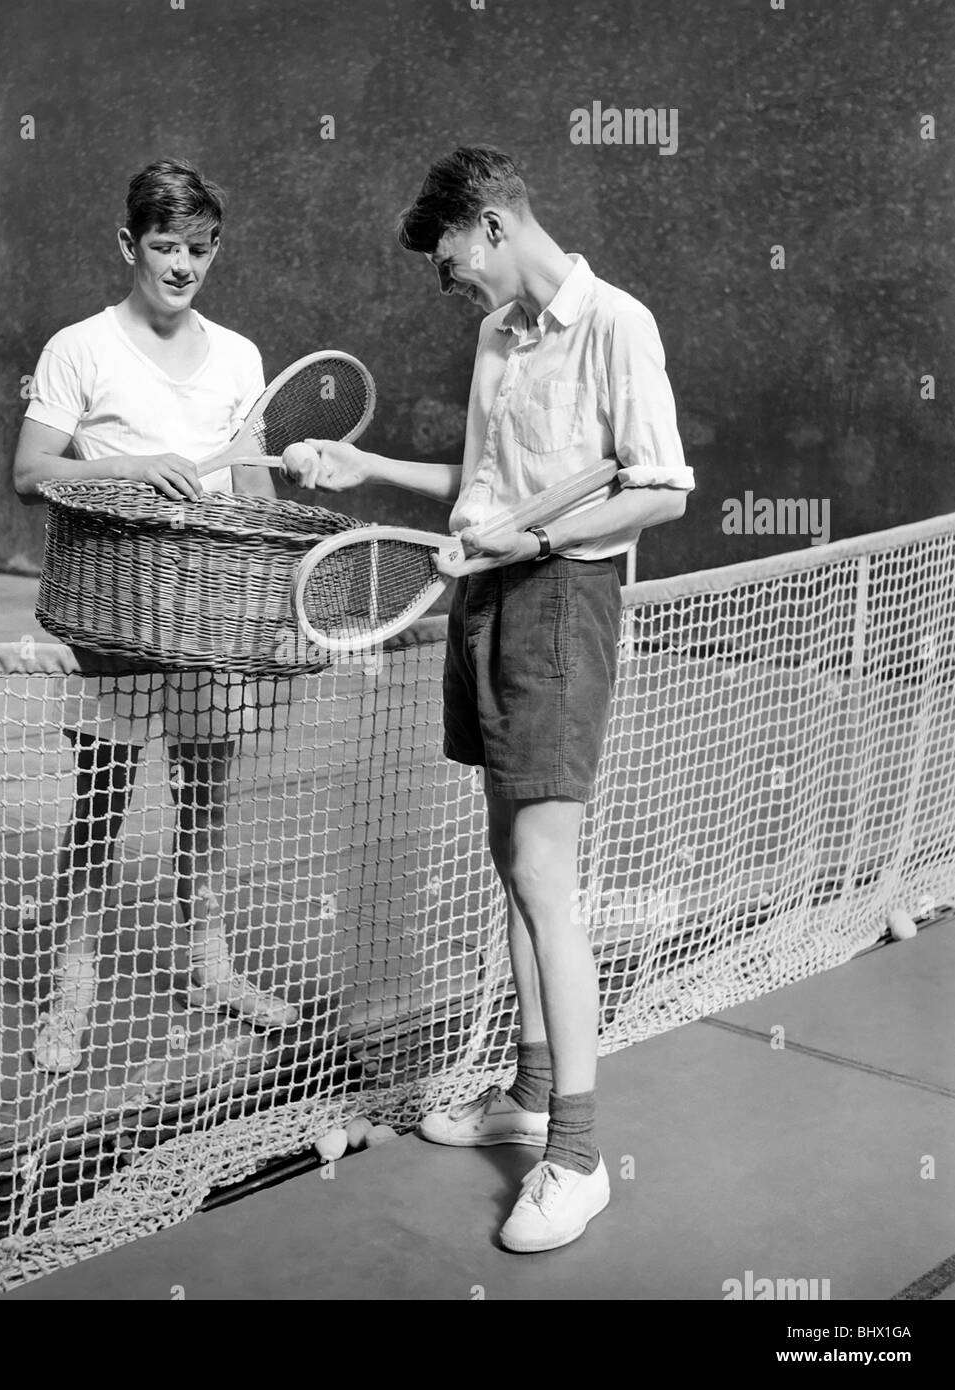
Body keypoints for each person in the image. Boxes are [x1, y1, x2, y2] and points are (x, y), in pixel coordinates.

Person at [285, 147, 692, 1251]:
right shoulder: (494, 337)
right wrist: (360, 469)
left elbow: (660, 485)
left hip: (563, 602)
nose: (452, 281)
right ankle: (527, 1085)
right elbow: (477, 491)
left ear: (496, 223)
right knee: (512, 862)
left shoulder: (619, 325)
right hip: (487, 598)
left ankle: (576, 1155)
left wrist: (543, 534)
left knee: (548, 875)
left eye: (455, 259)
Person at [13, 157, 299, 1073]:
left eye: (201, 249)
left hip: (210, 620)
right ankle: (74, 986)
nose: (183, 265)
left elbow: (249, 480)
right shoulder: (79, 348)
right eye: (167, 246)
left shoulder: (242, 355)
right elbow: (31, 473)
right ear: (128, 245)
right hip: (117, 618)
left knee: (207, 800)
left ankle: (209, 963)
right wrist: (133, 468)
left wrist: (282, 557)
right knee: (101, 805)